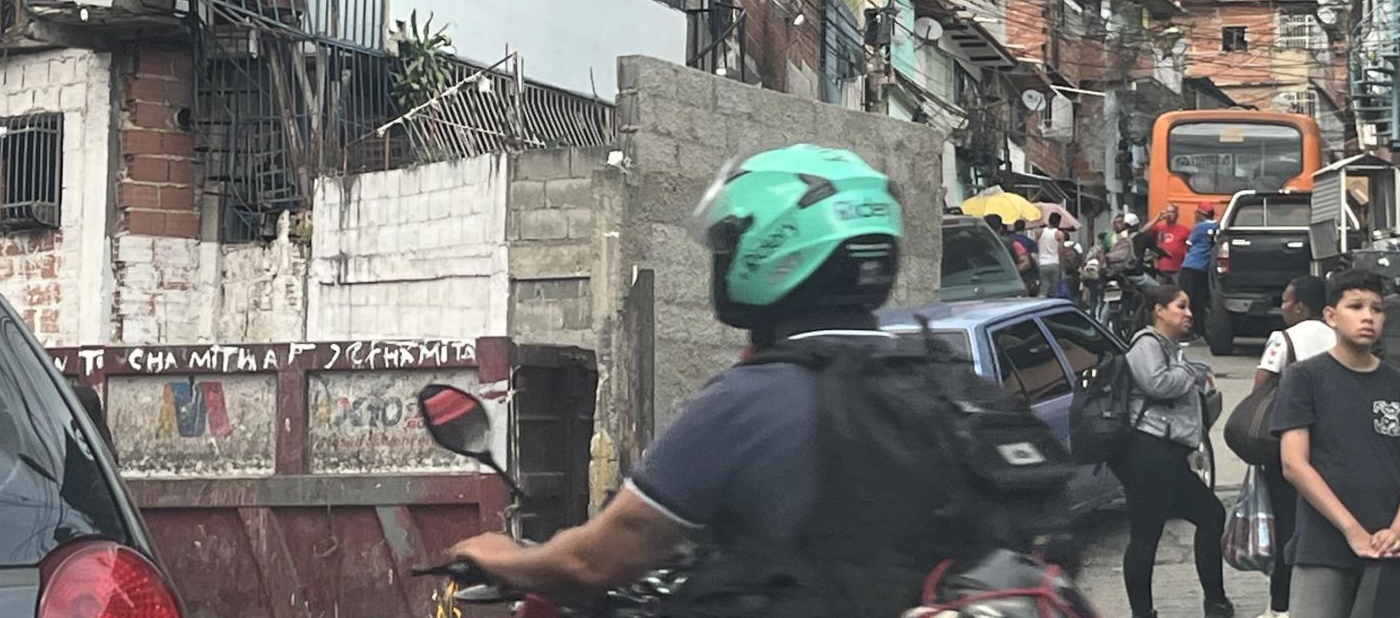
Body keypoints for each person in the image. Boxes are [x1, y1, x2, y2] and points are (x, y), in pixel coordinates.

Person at [447, 145, 1073, 615]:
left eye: (727, 243)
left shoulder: (747, 402)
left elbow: (595, 560)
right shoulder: (940, 376)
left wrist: (510, 557)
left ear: (773, 253)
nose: (719, 261)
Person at [1270, 270, 1400, 618]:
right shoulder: (1305, 378)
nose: (1367, 317)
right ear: (1331, 315)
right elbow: (1294, 464)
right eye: (1356, 306)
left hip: (1388, 547)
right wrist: (1353, 531)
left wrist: (1399, 531)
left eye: (1376, 309)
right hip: (1322, 545)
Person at [1112, 284, 1234, 618]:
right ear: (1158, 310)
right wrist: (1190, 372)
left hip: (1167, 456)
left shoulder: (1167, 347)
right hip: (1148, 453)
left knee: (1210, 515)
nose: (1188, 313)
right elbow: (1158, 383)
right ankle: (1144, 612)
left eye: (1189, 306)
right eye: (1180, 306)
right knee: (1146, 534)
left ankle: (1216, 602)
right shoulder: (1147, 343)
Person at [1252, 275, 1334, 618]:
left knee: (1286, 524)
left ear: (1300, 306)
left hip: (1291, 446)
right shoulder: (1337, 335)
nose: (1283, 306)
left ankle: (1281, 605)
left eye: (1286, 300)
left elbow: (1260, 388)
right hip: (1332, 447)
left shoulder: (1282, 339)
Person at [1178, 204, 1219, 338]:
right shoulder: (1218, 227)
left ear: (1201, 214)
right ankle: (1199, 330)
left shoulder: (1199, 227)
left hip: (1191, 266)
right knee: (1200, 301)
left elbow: (1188, 246)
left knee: (1187, 299)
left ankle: (1186, 331)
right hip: (1205, 269)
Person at [1144, 205, 1191, 277]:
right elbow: (1143, 231)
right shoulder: (1159, 227)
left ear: (1176, 215)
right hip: (1160, 269)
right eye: (1167, 211)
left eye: (1171, 212)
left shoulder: (1184, 230)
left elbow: (1190, 247)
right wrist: (1157, 218)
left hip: (1177, 269)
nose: (1169, 214)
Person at [1036, 212, 1067, 299]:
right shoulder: (1059, 234)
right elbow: (1061, 252)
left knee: (1043, 289)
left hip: (1042, 263)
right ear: (1058, 222)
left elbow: (1036, 247)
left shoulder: (1039, 232)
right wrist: (1063, 268)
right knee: (1053, 291)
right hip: (1054, 263)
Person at [1012, 219, 1041, 296]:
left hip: (1013, 267)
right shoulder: (1028, 241)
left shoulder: (1009, 239)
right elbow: (1036, 253)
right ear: (1024, 228)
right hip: (1027, 271)